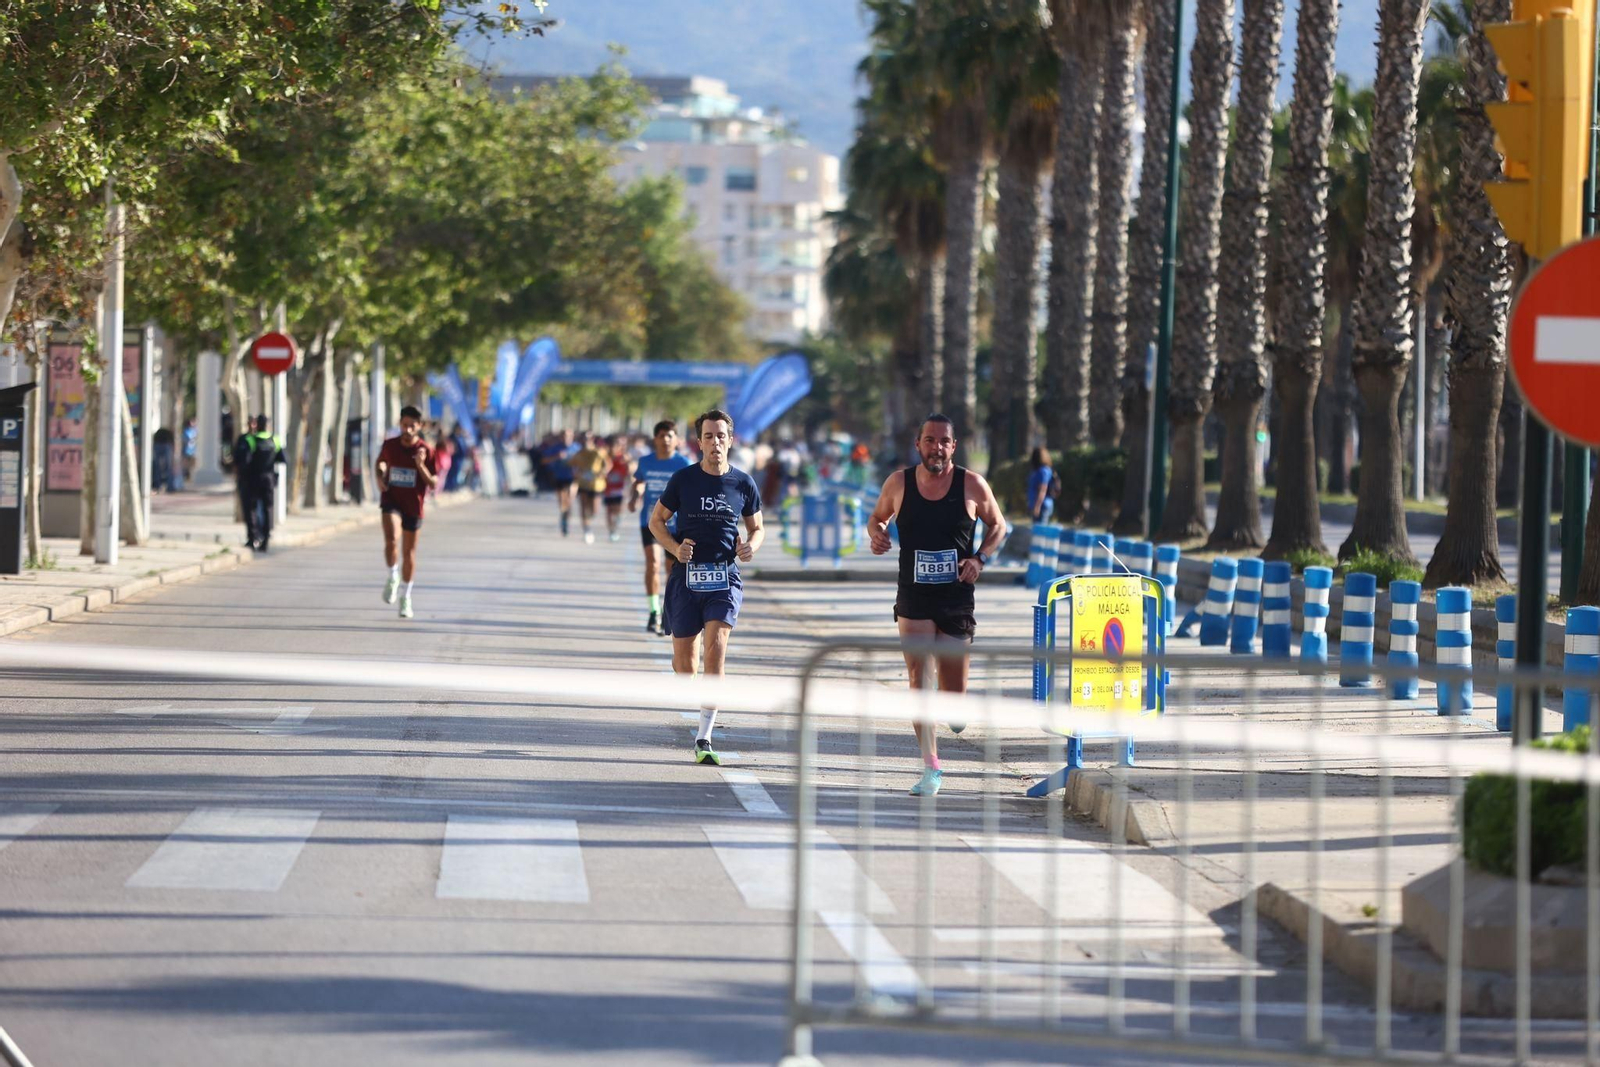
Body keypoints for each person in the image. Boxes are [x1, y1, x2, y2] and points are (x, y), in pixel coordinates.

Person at [868, 413, 1008, 797]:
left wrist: (979, 558)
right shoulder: (899, 483)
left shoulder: (972, 484)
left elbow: (999, 525)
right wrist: (877, 535)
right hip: (913, 594)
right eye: (930, 440)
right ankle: (931, 767)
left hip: (955, 596)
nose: (937, 448)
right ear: (918, 445)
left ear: (954, 446)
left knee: (953, 692)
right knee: (918, 678)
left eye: (944, 441)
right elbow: (877, 519)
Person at [649, 409, 764, 765]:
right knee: (686, 668)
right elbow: (657, 522)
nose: (716, 442)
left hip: (724, 579)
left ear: (731, 440)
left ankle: (705, 737)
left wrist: (750, 546)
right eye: (709, 436)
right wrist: (675, 549)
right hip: (686, 579)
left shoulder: (743, 483)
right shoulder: (683, 480)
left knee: (717, 650)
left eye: (721, 436)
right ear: (699, 442)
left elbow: (758, 528)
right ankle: (682, 658)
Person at [376, 405, 438, 619]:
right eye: (404, 425)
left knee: (409, 553)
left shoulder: (426, 450)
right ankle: (393, 575)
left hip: (414, 505)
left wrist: (420, 465)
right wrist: (380, 475)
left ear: (419, 426)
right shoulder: (390, 445)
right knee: (392, 539)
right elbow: (381, 462)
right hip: (392, 499)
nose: (408, 429)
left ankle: (406, 597)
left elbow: (433, 482)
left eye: (412, 426)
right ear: (399, 424)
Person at [631, 420, 693, 635]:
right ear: (655, 439)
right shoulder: (646, 462)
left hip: (676, 525)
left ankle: (669, 610)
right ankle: (653, 611)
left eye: (670, 436)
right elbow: (638, 481)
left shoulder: (683, 463)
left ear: (676, 440)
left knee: (672, 571)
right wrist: (635, 495)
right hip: (649, 521)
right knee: (653, 564)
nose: (666, 440)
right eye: (661, 436)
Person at [233, 415, 284, 552]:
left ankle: (253, 537)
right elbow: (283, 459)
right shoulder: (275, 440)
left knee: (251, 509)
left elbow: (244, 461)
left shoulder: (250, 440)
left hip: (252, 480)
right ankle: (266, 538)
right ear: (268, 425)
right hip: (268, 479)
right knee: (268, 508)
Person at [571, 432, 609, 544]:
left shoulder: (599, 452)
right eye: (584, 438)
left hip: (596, 484)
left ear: (593, 439)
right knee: (583, 507)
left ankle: (588, 522)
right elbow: (573, 464)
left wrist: (602, 472)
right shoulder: (579, 453)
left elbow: (607, 464)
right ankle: (587, 530)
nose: (586, 440)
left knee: (594, 510)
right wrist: (576, 472)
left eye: (588, 438)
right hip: (583, 484)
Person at [539, 429, 578, 535]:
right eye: (564, 436)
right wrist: (556, 457)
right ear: (561, 437)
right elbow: (544, 460)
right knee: (562, 502)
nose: (566, 438)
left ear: (573, 436)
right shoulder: (556, 448)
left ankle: (567, 519)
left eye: (569, 436)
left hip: (573, 478)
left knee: (569, 500)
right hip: (559, 477)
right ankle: (564, 519)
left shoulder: (577, 448)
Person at [603, 438, 630, 542]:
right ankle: (611, 531)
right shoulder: (606, 458)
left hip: (619, 488)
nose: (612, 449)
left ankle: (616, 526)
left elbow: (629, 471)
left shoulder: (622, 458)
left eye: (614, 447)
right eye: (610, 447)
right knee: (609, 511)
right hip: (608, 488)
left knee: (618, 510)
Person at [1026, 446, 1055, 523]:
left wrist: (1037, 506)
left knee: (1040, 531)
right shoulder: (1037, 471)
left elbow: (1042, 489)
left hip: (1042, 505)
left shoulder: (1043, 471)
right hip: (1036, 504)